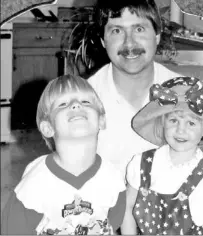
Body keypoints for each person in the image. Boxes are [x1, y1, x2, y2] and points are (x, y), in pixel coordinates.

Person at [1, 74, 126, 235]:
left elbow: (112, 222)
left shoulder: (112, 178)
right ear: (48, 128)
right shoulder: (35, 183)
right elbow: (12, 230)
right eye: (63, 104)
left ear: (102, 120)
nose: (75, 105)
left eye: (85, 102)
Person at [85, 0, 182, 177]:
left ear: (156, 35)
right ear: (103, 40)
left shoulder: (184, 93)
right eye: (117, 31)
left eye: (139, 29)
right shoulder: (83, 99)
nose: (129, 43)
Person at [121, 76, 203, 235]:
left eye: (191, 123)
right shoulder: (141, 164)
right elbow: (126, 208)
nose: (181, 130)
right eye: (173, 120)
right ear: (162, 122)